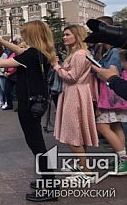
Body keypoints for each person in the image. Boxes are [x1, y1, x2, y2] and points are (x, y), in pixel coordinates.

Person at [0, 20, 57, 202]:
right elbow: (20, 52)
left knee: (36, 144)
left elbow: (1, 63)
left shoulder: (33, 53)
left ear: (31, 35)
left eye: (24, 33)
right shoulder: (42, 52)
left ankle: (50, 186)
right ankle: (48, 179)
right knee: (37, 142)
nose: (22, 36)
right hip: (38, 101)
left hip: (28, 103)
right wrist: (2, 42)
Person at [51, 25, 99, 181]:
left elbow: (72, 77)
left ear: (77, 36)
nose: (64, 37)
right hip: (78, 93)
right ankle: (83, 168)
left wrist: (56, 66)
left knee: (71, 132)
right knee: (78, 132)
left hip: (74, 93)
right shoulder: (81, 53)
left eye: (67, 34)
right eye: (64, 34)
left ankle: (86, 171)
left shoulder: (79, 54)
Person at [94, 23, 127, 175]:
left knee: (102, 127)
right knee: (115, 126)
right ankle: (122, 157)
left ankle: (123, 158)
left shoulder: (114, 51)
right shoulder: (110, 51)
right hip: (113, 94)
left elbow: (112, 72)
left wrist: (95, 68)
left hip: (111, 95)